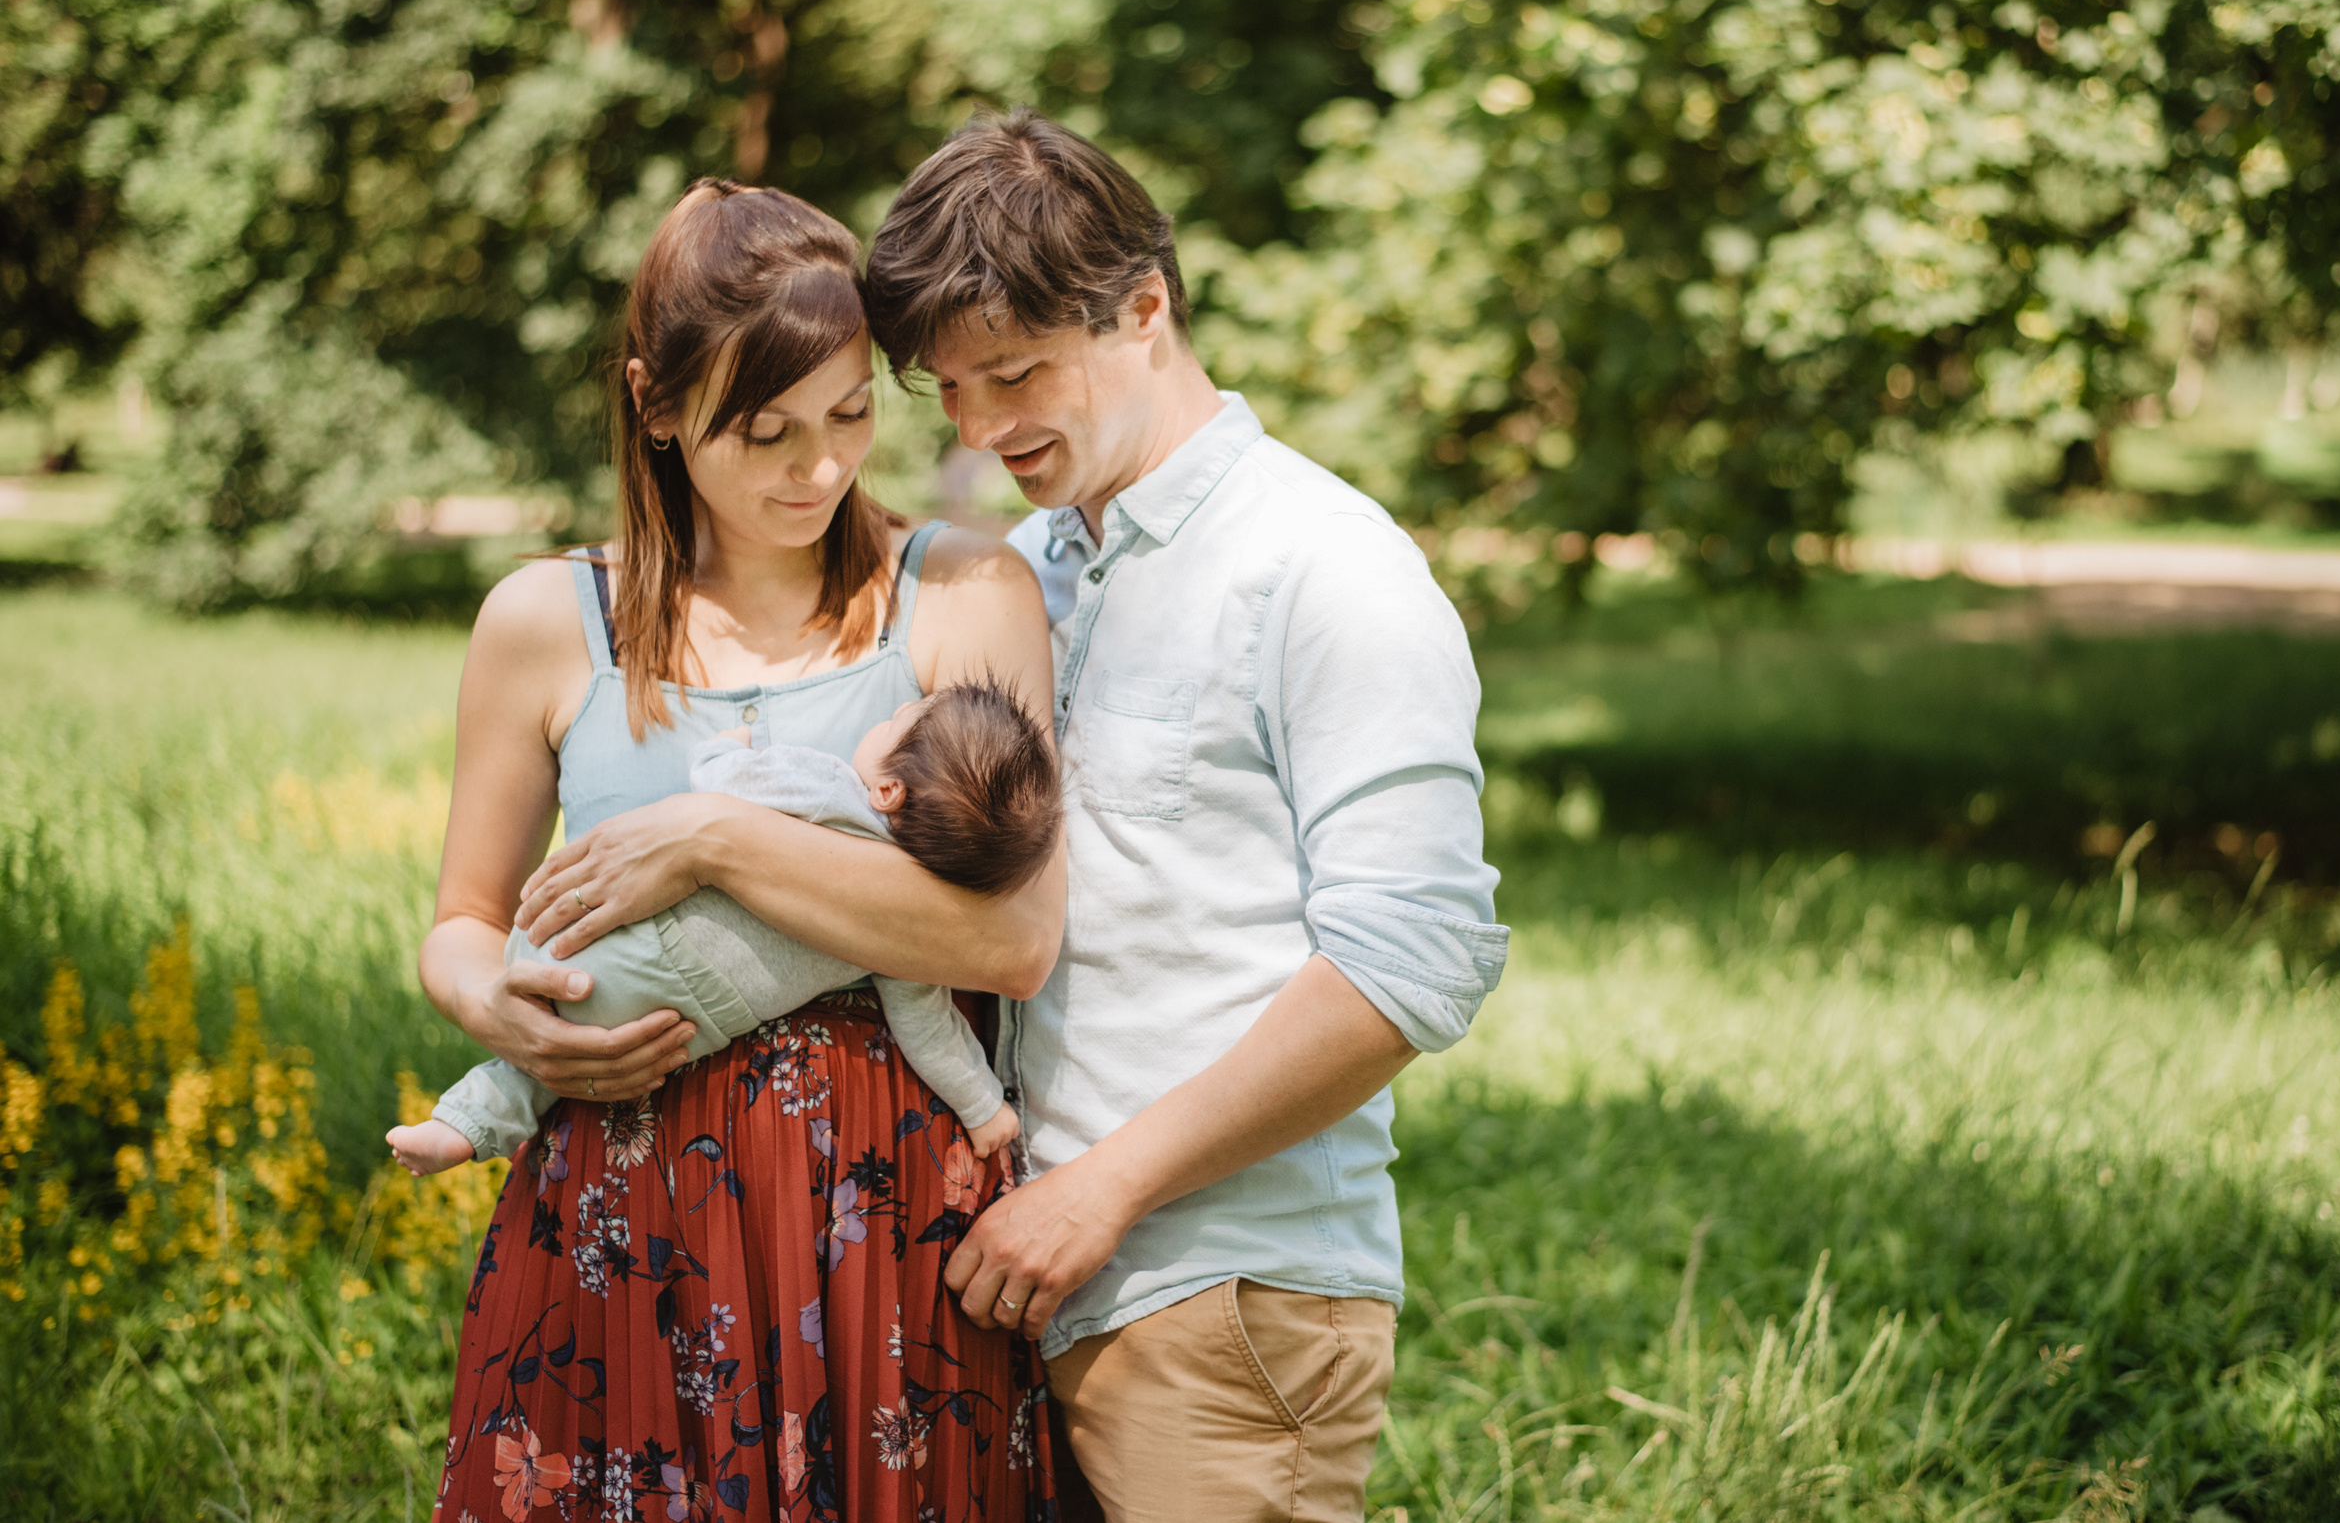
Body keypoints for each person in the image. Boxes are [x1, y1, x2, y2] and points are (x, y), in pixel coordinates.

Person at [864, 107, 1513, 1521]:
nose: (979, 432)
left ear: (1144, 306)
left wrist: (1101, 1189)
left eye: (1016, 373)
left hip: (1221, 1302)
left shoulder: (1326, 570)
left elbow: (1415, 962)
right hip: (1018, 1284)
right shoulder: (1029, 568)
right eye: (948, 394)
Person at [417, 178, 1059, 1523]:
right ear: (657, 406)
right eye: (764, 431)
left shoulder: (959, 596)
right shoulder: (546, 622)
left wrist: (714, 842)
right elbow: (465, 918)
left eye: (846, 416)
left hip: (887, 1222)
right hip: (617, 1210)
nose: (818, 470)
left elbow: (1009, 938)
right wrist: (504, 1014)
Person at [389, 681, 1056, 1178]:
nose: (883, 719)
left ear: (887, 792)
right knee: (556, 1066)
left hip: (589, 946)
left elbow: (719, 784)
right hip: (681, 1022)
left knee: (545, 1051)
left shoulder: (828, 789)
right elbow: (931, 1030)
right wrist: (983, 1108)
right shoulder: (902, 931)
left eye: (893, 722)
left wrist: (724, 745)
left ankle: (455, 1122)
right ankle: (462, 1129)